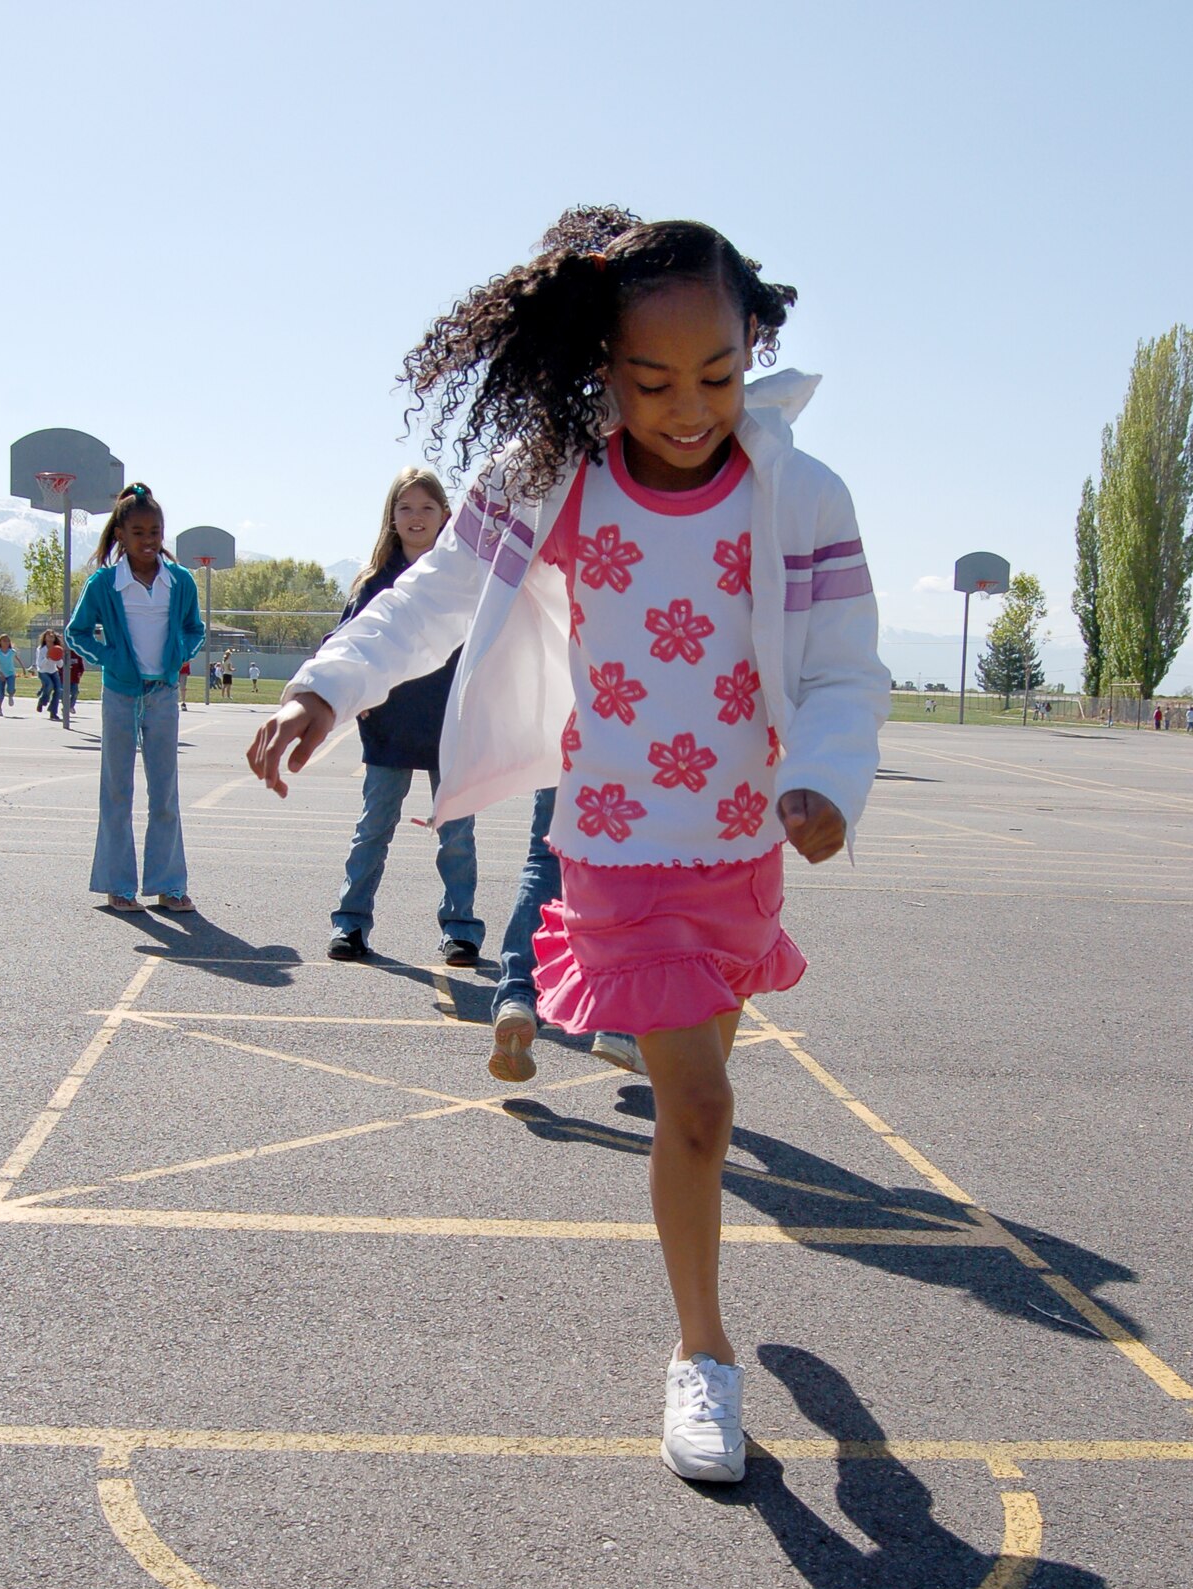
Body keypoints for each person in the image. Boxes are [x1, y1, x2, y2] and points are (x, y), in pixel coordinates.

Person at [248, 208, 889, 1484]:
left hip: (741, 838)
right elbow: (432, 596)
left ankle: (746, 1349)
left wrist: (822, 783)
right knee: (698, 1105)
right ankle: (701, 1357)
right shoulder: (553, 476)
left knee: (708, 1088)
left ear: (749, 343)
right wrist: (328, 686)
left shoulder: (800, 495)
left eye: (715, 373)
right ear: (600, 362)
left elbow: (842, 668)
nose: (690, 406)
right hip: (614, 838)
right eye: (652, 381)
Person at [326, 468, 483, 967]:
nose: (416, 517)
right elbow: (345, 644)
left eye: (426, 508)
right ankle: (350, 923)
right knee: (374, 826)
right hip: (390, 727)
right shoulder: (373, 584)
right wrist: (353, 691)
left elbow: (492, 642)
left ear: (446, 518)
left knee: (456, 832)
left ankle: (460, 928)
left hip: (450, 725)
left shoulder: (466, 579)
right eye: (405, 508)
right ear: (391, 519)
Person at [65, 481, 204, 914]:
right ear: (121, 536)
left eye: (156, 532)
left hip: (161, 696)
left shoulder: (178, 581)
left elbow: (193, 630)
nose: (148, 540)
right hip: (121, 696)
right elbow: (76, 632)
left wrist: (178, 654)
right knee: (117, 791)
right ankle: (118, 884)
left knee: (164, 793)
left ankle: (169, 883)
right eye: (139, 532)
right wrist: (111, 659)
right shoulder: (105, 584)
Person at [489, 787, 645, 1081]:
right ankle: (619, 1026)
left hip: (565, 745)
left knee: (546, 859)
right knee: (630, 864)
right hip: (639, 747)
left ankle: (518, 998)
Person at [0, 634, 24, 713]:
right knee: (0, 692)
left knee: (11, 688)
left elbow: (18, 659)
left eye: (8, 641)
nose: (6, 642)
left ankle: (10, 696)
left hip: (11, 673)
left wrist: (23, 668)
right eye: (4, 641)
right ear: (0, 642)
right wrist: (1, 674)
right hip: (1, 674)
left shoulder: (12, 651)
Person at [34, 629, 64, 718]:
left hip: (53, 671)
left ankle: (53, 712)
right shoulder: (41, 649)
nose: (51, 637)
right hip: (43, 672)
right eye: (48, 635)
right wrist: (47, 657)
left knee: (58, 690)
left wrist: (58, 657)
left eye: (52, 636)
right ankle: (42, 700)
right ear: (45, 638)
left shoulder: (57, 648)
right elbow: (40, 665)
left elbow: (60, 665)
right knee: (49, 685)